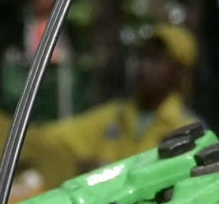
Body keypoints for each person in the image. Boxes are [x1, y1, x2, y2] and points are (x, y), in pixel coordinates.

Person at [14, 15, 199, 176]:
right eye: (143, 57)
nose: (144, 67)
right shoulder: (114, 117)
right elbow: (50, 138)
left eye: (156, 60)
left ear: (179, 73)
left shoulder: (187, 129)